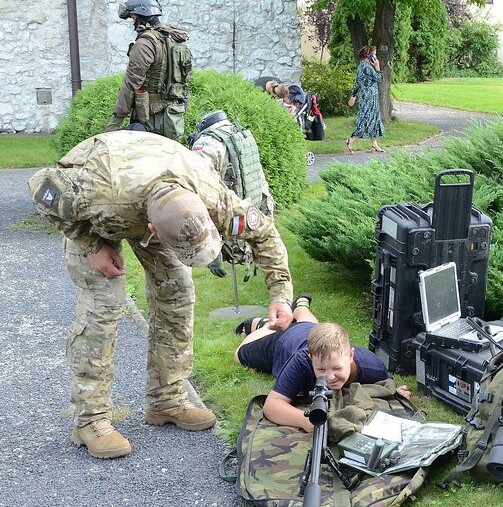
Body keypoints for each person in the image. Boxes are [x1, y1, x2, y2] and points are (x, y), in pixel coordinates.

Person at [28, 131, 295, 460]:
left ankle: (167, 400)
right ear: (153, 231)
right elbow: (42, 188)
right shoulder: (95, 194)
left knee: (178, 293)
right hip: (100, 214)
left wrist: (280, 294)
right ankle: (91, 419)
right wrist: (92, 244)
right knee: (104, 306)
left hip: (156, 194)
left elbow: (263, 232)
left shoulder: (212, 195)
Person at [233, 296, 410, 430]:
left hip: (311, 331)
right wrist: (304, 420)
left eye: (337, 368)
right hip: (284, 342)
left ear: (350, 355)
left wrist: (394, 391)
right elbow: (272, 406)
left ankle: (301, 305)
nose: (330, 376)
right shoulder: (301, 362)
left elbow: (385, 382)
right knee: (239, 354)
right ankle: (265, 325)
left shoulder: (371, 366)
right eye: (321, 369)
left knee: (310, 325)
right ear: (310, 359)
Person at [189, 110, 276, 278]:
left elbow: (200, 196)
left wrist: (211, 252)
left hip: (231, 221)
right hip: (253, 214)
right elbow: (260, 183)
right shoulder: (241, 135)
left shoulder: (207, 143)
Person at [105, 0, 191, 140]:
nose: (133, 23)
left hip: (150, 121)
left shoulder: (145, 43)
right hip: (173, 118)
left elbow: (131, 84)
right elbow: (185, 79)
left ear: (140, 16)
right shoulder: (174, 40)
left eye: (132, 18)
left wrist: (114, 123)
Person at [346, 46, 385, 154]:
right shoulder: (367, 68)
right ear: (370, 56)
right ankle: (351, 140)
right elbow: (379, 78)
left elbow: (357, 83)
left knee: (374, 119)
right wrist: (377, 66)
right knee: (365, 120)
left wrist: (353, 96)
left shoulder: (361, 66)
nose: (376, 57)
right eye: (374, 55)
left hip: (369, 97)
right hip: (369, 98)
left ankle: (374, 144)